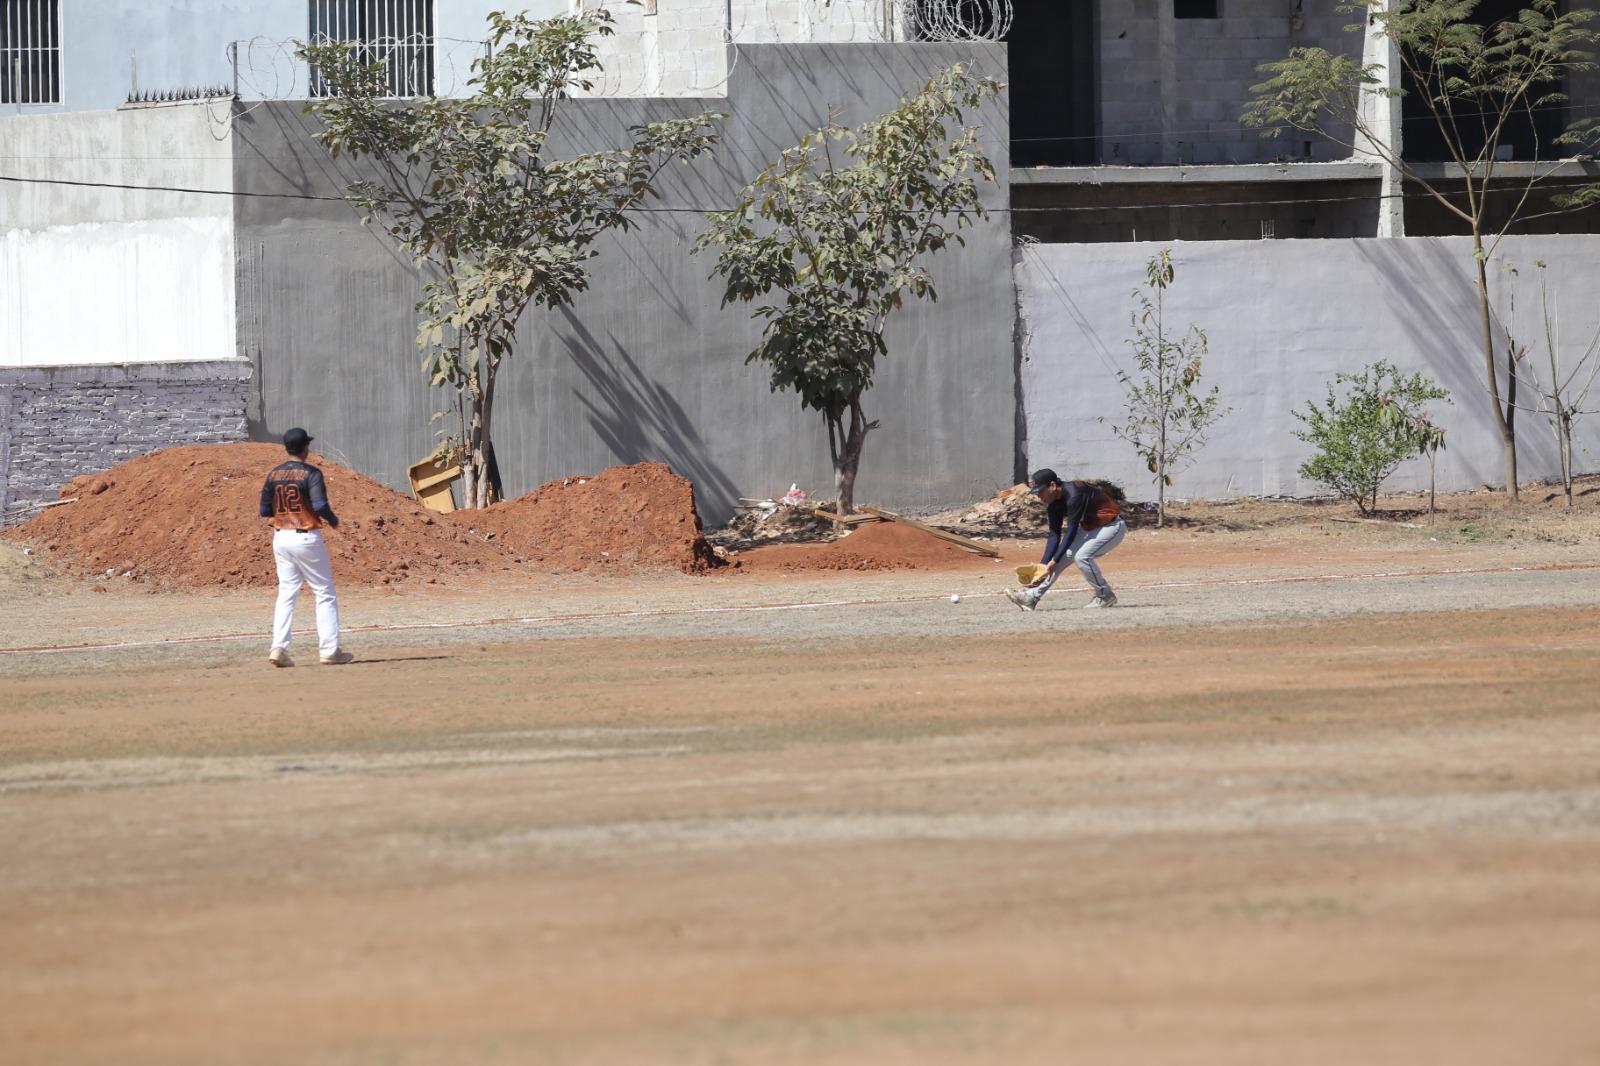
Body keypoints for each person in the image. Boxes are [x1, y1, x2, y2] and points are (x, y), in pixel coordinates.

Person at [260, 428, 353, 666]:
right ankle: (330, 650)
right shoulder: (311, 473)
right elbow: (320, 504)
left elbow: (265, 511)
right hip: (306, 536)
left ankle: (278, 647)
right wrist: (333, 520)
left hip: (281, 536)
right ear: (305, 448)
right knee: (324, 592)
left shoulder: (273, 475)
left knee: (287, 593)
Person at [1006, 467, 1126, 611]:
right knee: (1062, 557)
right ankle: (1031, 597)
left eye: (1041, 491)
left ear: (1052, 485)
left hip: (1112, 526)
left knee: (1082, 557)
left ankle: (1105, 595)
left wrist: (1054, 559)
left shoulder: (1075, 494)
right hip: (1090, 528)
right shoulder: (1053, 505)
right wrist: (1043, 566)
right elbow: (1054, 535)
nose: (1039, 496)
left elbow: (1071, 530)